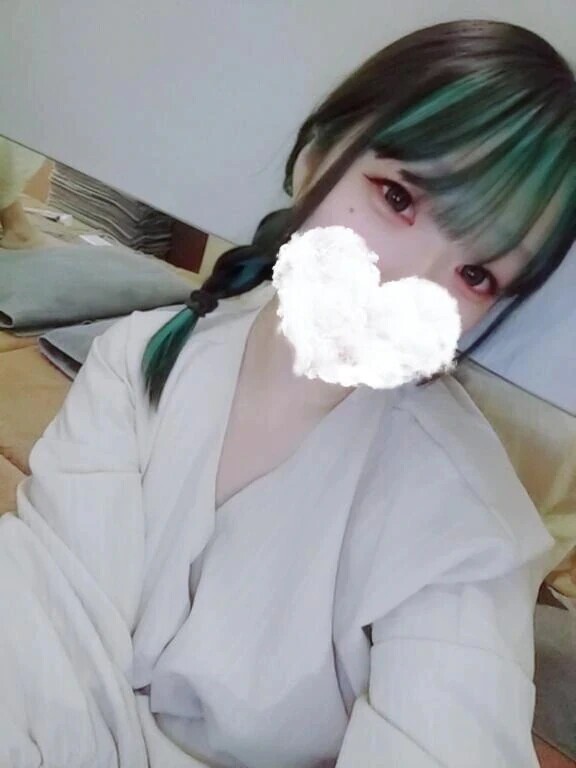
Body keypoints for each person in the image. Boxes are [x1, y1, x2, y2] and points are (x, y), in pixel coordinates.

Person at [11, 18, 576, 768]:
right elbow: (35, 629)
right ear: (315, 159)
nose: (405, 287)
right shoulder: (140, 357)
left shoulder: (466, 533)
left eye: (477, 275)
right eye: (398, 197)